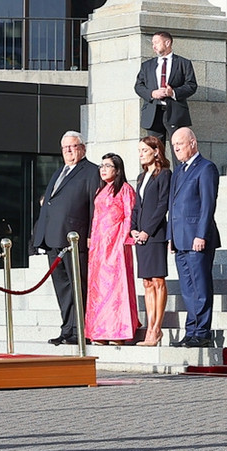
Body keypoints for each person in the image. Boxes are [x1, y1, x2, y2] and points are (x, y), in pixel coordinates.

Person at [30, 131, 99, 346]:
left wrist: (89, 236)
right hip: (53, 238)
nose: (69, 151)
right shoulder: (59, 171)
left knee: (78, 285)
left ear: (83, 148)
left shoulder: (91, 171)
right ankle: (67, 328)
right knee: (62, 286)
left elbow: (93, 206)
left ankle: (81, 329)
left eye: (73, 146)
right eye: (65, 148)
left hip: (74, 239)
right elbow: (49, 203)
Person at [168, 127, 220, 349]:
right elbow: (172, 205)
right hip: (179, 240)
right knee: (188, 289)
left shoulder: (206, 168)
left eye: (180, 143)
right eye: (174, 145)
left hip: (198, 239)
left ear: (193, 143)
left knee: (200, 287)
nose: (176, 147)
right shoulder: (179, 171)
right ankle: (191, 331)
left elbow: (208, 205)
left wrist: (201, 234)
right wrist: (170, 236)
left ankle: (202, 332)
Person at [84, 154, 138, 345]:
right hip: (100, 246)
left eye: (108, 166)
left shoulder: (125, 190)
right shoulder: (101, 190)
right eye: (102, 165)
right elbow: (96, 218)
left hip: (116, 244)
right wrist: (92, 238)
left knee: (116, 286)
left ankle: (118, 331)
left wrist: (123, 240)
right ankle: (99, 331)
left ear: (118, 169)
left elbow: (129, 216)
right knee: (99, 288)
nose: (103, 169)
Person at [130, 136, 171, 347]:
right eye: (139, 151)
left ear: (156, 151)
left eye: (144, 150)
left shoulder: (164, 174)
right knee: (146, 282)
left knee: (157, 281)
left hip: (155, 235)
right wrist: (134, 229)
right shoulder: (140, 177)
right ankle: (149, 329)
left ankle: (157, 329)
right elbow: (137, 206)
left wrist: (147, 231)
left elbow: (162, 204)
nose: (141, 154)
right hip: (141, 236)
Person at [134, 32, 196, 138]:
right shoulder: (147, 65)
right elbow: (138, 86)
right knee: (155, 152)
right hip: (153, 112)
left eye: (157, 43)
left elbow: (191, 85)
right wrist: (152, 93)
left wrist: (173, 93)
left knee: (178, 148)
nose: (154, 46)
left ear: (167, 43)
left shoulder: (183, 63)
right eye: (152, 43)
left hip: (175, 112)